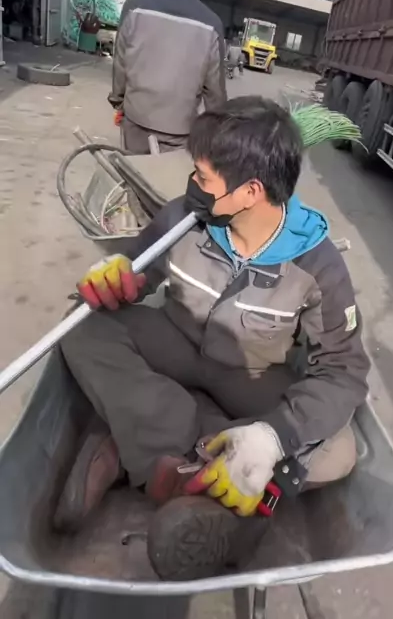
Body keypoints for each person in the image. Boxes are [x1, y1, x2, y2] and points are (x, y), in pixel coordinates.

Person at [56, 97, 370, 581]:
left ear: (250, 192)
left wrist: (272, 437)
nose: (192, 185)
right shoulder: (184, 219)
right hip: (175, 343)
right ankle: (197, 465)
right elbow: (138, 271)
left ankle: (141, 447)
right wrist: (116, 274)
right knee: (83, 323)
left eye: (203, 177)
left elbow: (344, 372)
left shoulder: (317, 266)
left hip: (250, 376)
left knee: (339, 451)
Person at [109, 0, 226, 154]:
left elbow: (120, 66)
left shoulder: (134, 7)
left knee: (132, 172)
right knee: (167, 177)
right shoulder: (211, 24)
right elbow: (215, 95)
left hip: (135, 124)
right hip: (178, 135)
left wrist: (118, 102)